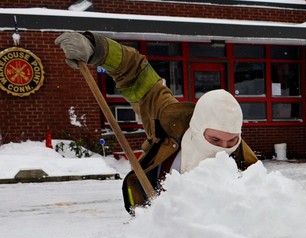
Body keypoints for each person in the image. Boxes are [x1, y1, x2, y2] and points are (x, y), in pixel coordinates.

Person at [55, 32, 259, 214]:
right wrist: (95, 48)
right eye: (214, 139)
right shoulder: (169, 121)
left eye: (231, 141)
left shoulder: (250, 171)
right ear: (196, 128)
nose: (222, 149)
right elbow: (135, 72)